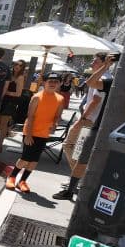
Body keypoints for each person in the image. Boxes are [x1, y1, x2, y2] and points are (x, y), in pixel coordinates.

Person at [53, 53, 115, 200]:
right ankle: (77, 178)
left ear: (103, 63)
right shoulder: (101, 76)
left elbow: (95, 101)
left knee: (70, 146)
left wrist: (82, 119)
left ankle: (79, 177)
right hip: (90, 120)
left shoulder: (104, 78)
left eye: (95, 60)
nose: (92, 62)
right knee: (76, 151)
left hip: (89, 120)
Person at [5, 73, 64, 194]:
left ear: (60, 84)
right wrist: (29, 135)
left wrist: (55, 124)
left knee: (34, 161)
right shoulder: (37, 97)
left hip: (44, 134)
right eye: (50, 81)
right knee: (25, 159)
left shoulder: (60, 99)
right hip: (31, 132)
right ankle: (12, 177)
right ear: (44, 82)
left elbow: (58, 116)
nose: (53, 84)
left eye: (56, 81)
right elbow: (30, 116)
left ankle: (23, 181)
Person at [0, 59, 27, 151]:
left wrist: (5, 92)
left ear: (22, 67)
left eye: (20, 65)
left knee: (3, 125)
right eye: (16, 64)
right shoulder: (9, 75)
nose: (17, 66)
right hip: (3, 101)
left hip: (10, 103)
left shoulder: (20, 77)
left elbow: (18, 94)